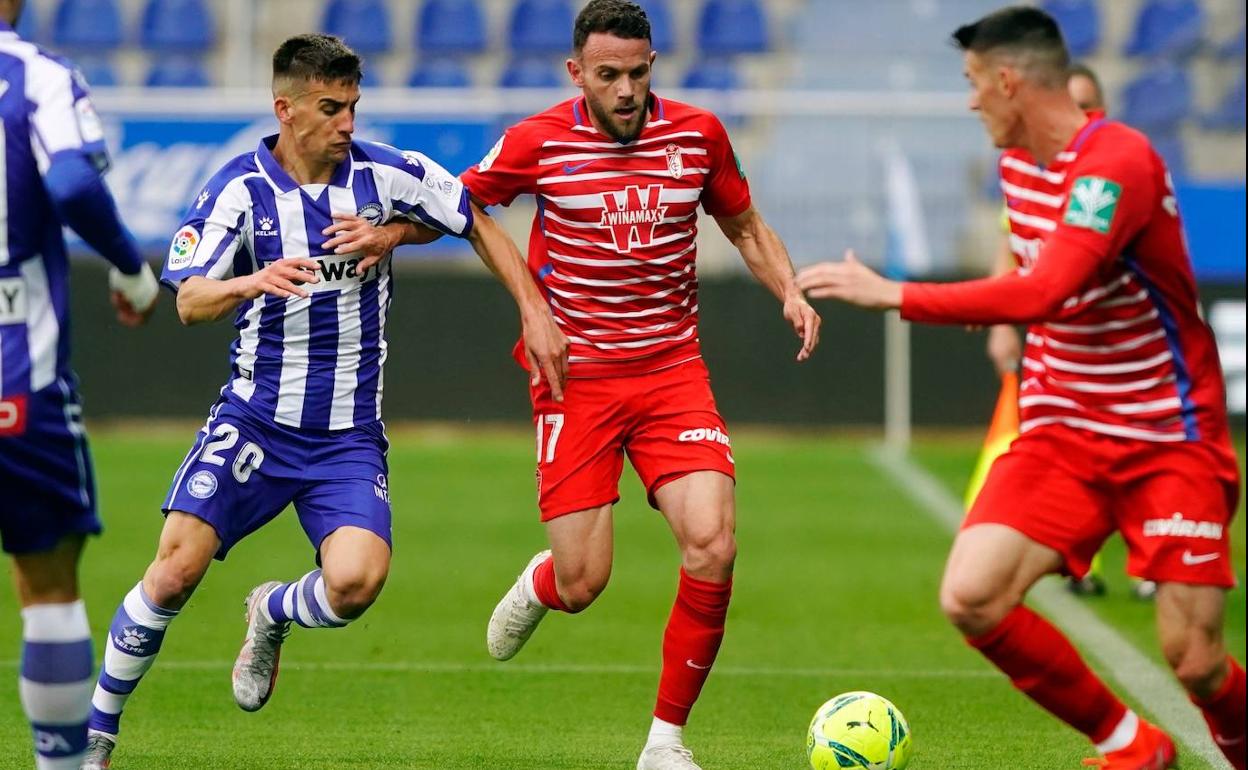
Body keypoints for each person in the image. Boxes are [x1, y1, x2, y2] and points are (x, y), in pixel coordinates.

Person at [80, 33, 566, 769]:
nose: (347, 123)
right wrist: (251, 280)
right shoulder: (238, 190)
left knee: (356, 583)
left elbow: (475, 219)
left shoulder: (385, 173)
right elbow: (188, 301)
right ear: (287, 110)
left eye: (352, 107)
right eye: (331, 108)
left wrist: (528, 308)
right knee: (174, 571)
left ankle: (271, 609)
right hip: (255, 422)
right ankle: (96, 737)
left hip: (346, 437)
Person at [797, 8, 1244, 770]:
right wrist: (998, 304)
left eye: (975, 82)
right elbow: (1029, 274)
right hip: (1061, 431)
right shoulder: (1016, 166)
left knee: (1195, 658)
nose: (971, 100)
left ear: (1008, 81)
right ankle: (1132, 746)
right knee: (971, 595)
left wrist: (897, 294)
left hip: (1167, 437)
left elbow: (1048, 289)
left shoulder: (1118, 162)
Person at [386, 2, 818, 767]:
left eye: (638, 73)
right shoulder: (539, 140)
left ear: (654, 66)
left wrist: (790, 289)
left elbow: (745, 225)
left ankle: (664, 742)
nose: (625, 90)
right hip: (575, 379)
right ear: (576, 72)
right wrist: (396, 235)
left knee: (713, 543)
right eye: (608, 74)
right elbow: (462, 207)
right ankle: (543, 583)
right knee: (585, 582)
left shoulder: (699, 135)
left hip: (671, 372)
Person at [0, 1, 160, 767]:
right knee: (48, 581)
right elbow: (70, 183)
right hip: (16, 375)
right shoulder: (36, 77)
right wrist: (130, 267)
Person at [980, 61, 1157, 600]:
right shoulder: (1027, 174)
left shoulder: (1118, 172)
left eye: (1084, 105)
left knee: (1140, 454)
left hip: (1123, 352)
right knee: (1065, 456)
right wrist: (1001, 322)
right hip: (1063, 348)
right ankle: (1079, 562)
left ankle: (1156, 562)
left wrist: (910, 299)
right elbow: (1013, 248)